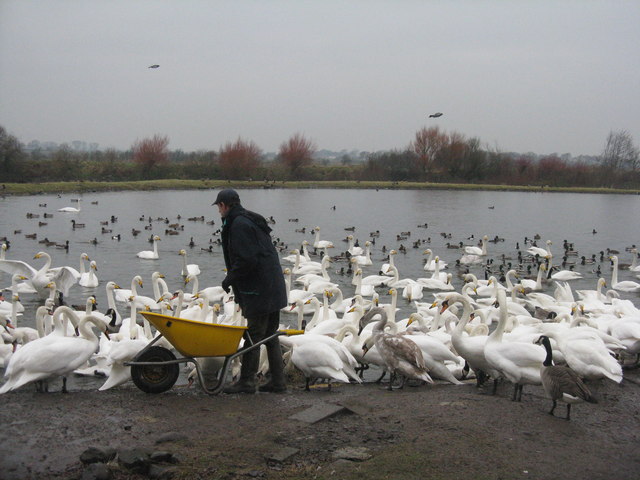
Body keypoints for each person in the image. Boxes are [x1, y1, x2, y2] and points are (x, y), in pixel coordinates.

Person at [213, 188, 288, 394]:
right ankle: (278, 382)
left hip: (260, 289)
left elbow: (246, 259)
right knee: (270, 334)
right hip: (273, 285)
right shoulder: (251, 219)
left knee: (254, 335)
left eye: (219, 208)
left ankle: (246, 381)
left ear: (223, 205)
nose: (219, 212)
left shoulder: (238, 225)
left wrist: (230, 278)